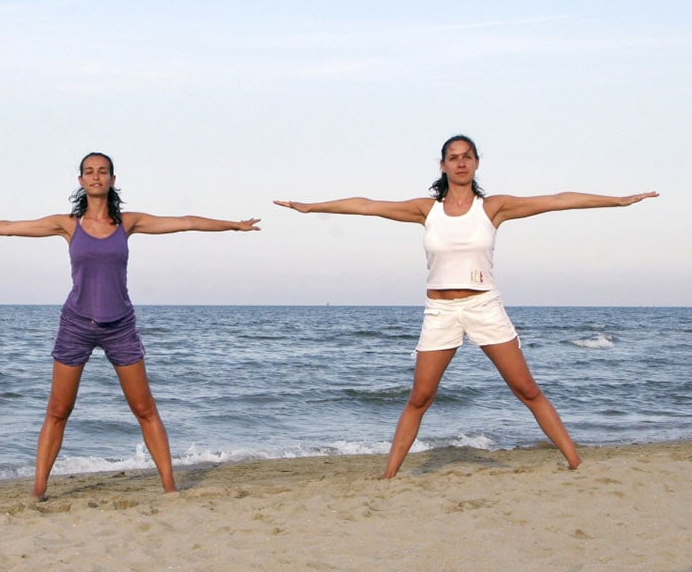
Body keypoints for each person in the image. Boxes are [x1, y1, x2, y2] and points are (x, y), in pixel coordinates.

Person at [274, 134, 657, 478]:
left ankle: (575, 462)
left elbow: (557, 201)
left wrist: (618, 201)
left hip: (484, 307)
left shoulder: (493, 208)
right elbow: (368, 205)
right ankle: (388, 475)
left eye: (467, 156)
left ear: (476, 163)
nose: (460, 162)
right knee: (420, 398)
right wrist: (312, 208)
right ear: (442, 165)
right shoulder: (427, 210)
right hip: (440, 312)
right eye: (453, 157)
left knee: (526, 390)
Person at [0, 152, 260, 499]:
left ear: (113, 180)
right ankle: (38, 491)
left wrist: (234, 226)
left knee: (144, 409)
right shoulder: (68, 225)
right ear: (81, 181)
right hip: (76, 325)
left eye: (103, 172)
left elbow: (186, 221)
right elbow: (9, 228)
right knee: (58, 410)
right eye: (89, 172)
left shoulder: (128, 223)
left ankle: (170, 488)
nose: (96, 176)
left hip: (120, 326)